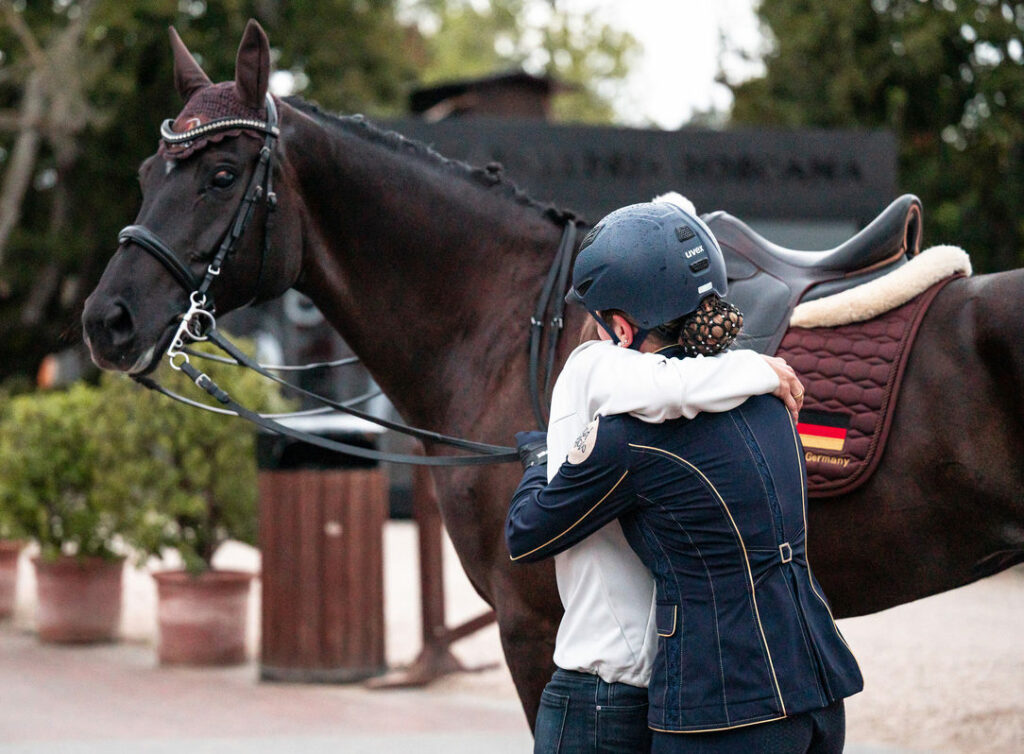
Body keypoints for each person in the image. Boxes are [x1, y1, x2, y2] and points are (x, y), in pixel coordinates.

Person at [508, 200, 862, 753]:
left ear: (619, 328)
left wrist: (543, 462)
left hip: (721, 704)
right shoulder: (770, 403)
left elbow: (527, 533)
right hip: (818, 684)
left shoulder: (629, 438)